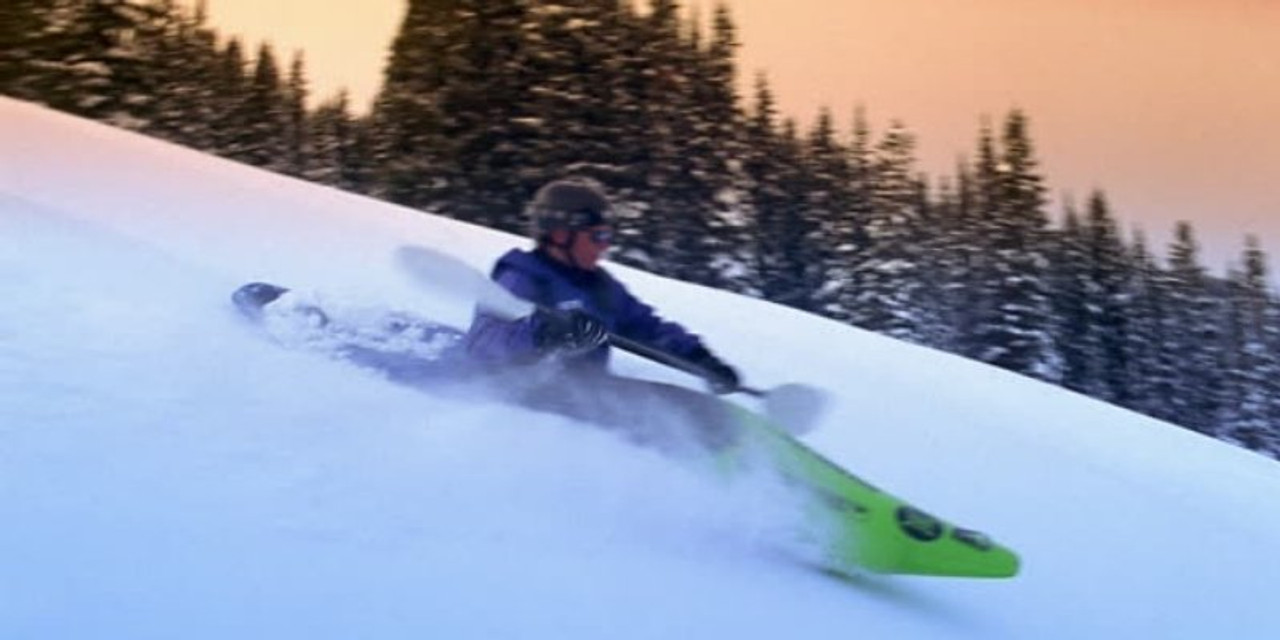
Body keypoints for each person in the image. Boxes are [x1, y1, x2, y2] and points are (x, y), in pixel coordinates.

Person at [464, 178, 742, 450]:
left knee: (692, 409)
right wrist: (546, 334)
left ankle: (724, 451)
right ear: (560, 234)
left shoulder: (600, 287)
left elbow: (647, 327)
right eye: (598, 235)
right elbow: (483, 344)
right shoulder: (523, 278)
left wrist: (701, 359)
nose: (605, 245)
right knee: (668, 417)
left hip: (586, 393)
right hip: (523, 398)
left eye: (608, 236)